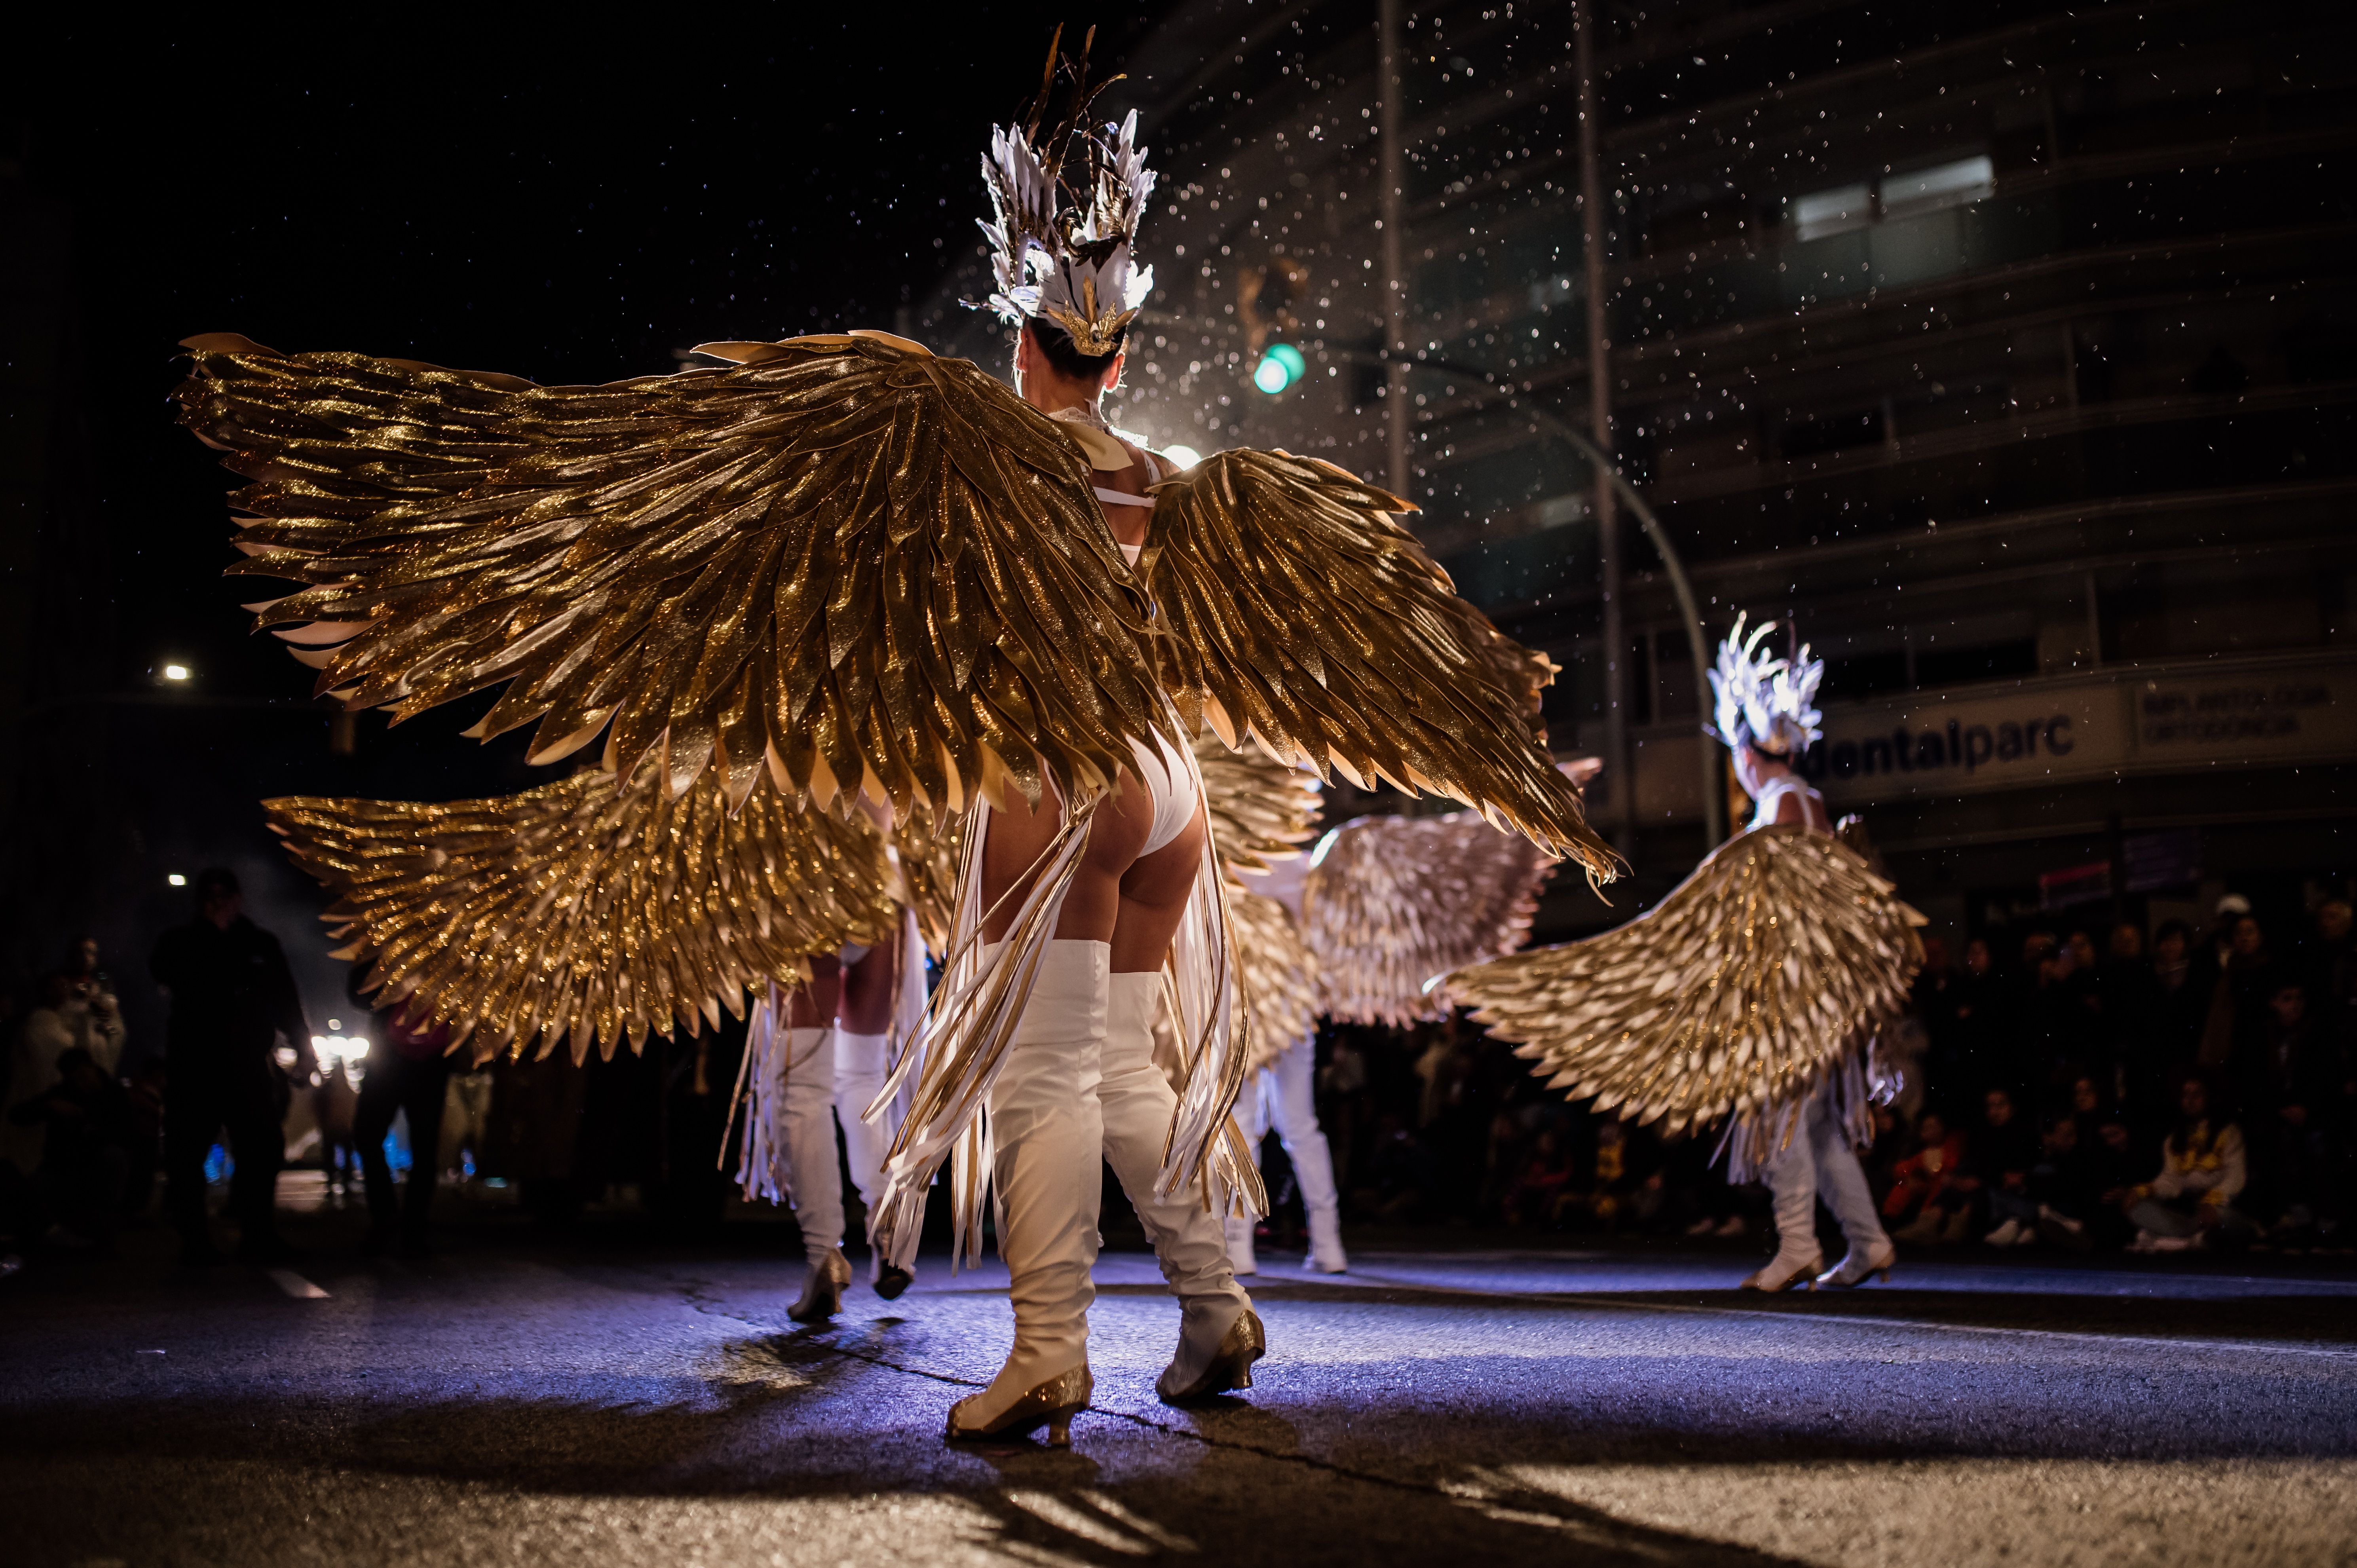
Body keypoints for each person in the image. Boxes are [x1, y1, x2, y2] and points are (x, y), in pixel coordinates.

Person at [176, 40, 1609, 1447]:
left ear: (1017, 325)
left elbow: (681, 485)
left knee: (1046, 1075)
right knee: (1122, 1067)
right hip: (1162, 789)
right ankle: (1215, 1303)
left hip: (1048, 784)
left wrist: (377, 469)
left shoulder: (954, 430)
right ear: (1113, 343)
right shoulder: (1176, 484)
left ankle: (1048, 1351)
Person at [1453, 615, 1922, 1291]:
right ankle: (1869, 1242)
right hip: (1811, 994)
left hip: (1797, 995)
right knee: (1817, 1128)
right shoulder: (1807, 798)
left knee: (1784, 1116)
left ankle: (1799, 1246)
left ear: (1748, 755)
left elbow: (1785, 899)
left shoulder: (1785, 802)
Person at [149, 868, 315, 1265]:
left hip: (246, 1063)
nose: (218, 901)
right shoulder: (180, 942)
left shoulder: (260, 943)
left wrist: (304, 1048)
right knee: (187, 1153)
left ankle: (259, 1233)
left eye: (225, 894)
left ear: (239, 898)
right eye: (210, 895)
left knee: (263, 1146)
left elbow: (286, 1000)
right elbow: (163, 971)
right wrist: (211, 933)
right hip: (195, 1064)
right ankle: (195, 1242)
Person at [350, 978, 453, 1258]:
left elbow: (358, 995)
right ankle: (399, 1223)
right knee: (403, 1142)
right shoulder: (394, 945)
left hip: (406, 1059)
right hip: (411, 1060)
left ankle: (402, 1224)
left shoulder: (399, 945)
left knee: (416, 1144)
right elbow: (358, 995)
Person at [6, 1047, 133, 1251]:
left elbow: (126, 1134)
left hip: (97, 1166)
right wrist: (50, 1105)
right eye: (74, 1079)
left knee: (114, 1157)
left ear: (92, 1069)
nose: (81, 1084)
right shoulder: (63, 1094)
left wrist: (89, 1123)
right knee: (31, 1187)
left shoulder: (115, 1094)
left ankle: (104, 1217)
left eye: (83, 1076)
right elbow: (17, 1115)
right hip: (62, 1167)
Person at [2124, 1074, 2251, 1251]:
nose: (2190, 1101)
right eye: (2186, 1095)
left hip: (2222, 1208)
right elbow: (2171, 1181)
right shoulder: (2174, 1139)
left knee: (2227, 1222)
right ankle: (2190, 1239)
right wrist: (2141, 1191)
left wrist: (2212, 1203)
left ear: (2210, 1097)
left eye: (2197, 1094)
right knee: (2138, 1209)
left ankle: (2175, 1239)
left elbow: (2236, 1177)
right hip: (2190, 1215)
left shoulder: (2229, 1133)